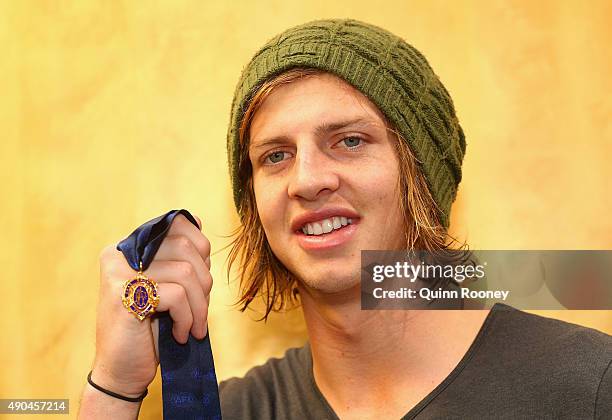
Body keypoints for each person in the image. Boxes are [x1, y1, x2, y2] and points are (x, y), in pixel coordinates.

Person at [79, 19, 612, 419]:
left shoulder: (588, 387)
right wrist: (116, 385)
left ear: (422, 173)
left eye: (350, 141)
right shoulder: (236, 411)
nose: (307, 180)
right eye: (275, 156)